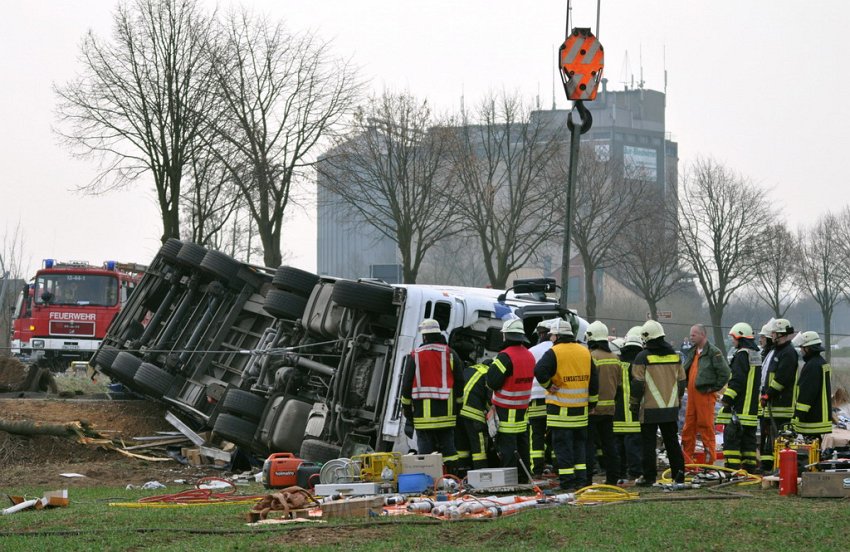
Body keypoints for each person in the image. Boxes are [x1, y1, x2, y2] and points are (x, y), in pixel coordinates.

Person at [535, 318, 599, 491]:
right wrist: (592, 403)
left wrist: (549, 385)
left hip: (560, 411)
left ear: (556, 335)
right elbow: (594, 380)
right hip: (581, 412)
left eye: (552, 336)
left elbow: (539, 370)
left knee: (563, 449)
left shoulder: (554, 352)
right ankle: (581, 481)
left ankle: (567, 483)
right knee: (579, 448)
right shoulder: (585, 351)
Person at [400, 318, 464, 470]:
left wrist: (407, 409)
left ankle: (428, 479)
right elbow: (460, 380)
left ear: (424, 336)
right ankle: (453, 477)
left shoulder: (415, 355)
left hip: (423, 416)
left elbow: (407, 384)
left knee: (426, 452)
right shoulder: (450, 353)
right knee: (449, 449)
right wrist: (458, 405)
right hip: (447, 414)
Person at [631, 320, 686, 486]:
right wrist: (676, 401)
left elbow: (638, 384)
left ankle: (649, 477)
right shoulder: (675, 356)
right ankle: (679, 474)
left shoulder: (642, 357)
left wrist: (634, 405)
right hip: (670, 409)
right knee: (672, 442)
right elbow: (682, 381)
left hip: (649, 409)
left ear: (646, 338)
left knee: (648, 444)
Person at [486, 318, 536, 480]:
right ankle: (524, 476)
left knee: (507, 445)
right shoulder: (529, 355)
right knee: (522, 444)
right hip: (523, 408)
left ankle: (508, 478)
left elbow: (492, 381)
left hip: (506, 408)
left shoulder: (504, 357)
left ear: (506, 336)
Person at [680, 324, 730, 465]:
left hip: (705, 396)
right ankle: (687, 461)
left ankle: (709, 462)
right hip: (692, 396)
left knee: (706, 427)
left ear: (703, 335)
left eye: (694, 334)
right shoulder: (692, 352)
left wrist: (713, 388)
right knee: (688, 427)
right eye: (691, 335)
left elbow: (725, 373)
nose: (691, 337)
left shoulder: (713, 352)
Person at [718, 323, 762, 472]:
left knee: (732, 441)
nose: (732, 341)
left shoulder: (742, 355)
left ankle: (732, 470)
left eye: (734, 338)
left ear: (740, 337)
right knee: (748, 442)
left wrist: (727, 400)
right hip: (751, 409)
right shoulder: (755, 354)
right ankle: (749, 469)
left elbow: (737, 381)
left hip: (739, 407)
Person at [584, 321, 621, 486]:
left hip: (592, 409)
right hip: (609, 409)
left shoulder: (591, 357)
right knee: (609, 445)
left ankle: (587, 479)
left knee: (589, 446)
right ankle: (613, 478)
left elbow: (588, 383)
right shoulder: (615, 358)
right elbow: (619, 385)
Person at [761, 318, 798, 471]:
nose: (772, 336)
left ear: (781, 334)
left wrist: (768, 394)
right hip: (773, 404)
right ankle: (769, 467)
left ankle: (780, 468)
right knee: (770, 437)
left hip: (782, 405)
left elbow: (781, 379)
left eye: (774, 333)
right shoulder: (777, 351)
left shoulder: (788, 353)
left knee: (780, 438)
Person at [527, 319, 557, 475]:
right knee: (555, 433)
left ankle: (537, 468)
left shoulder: (532, 351)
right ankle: (557, 466)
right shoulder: (557, 349)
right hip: (555, 398)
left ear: (540, 334)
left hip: (535, 399)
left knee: (537, 434)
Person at [613, 333, 643, 483]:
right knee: (634, 445)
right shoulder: (639, 366)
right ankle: (635, 473)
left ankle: (620, 473)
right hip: (634, 411)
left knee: (618, 445)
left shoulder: (618, 364)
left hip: (618, 412)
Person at [792, 331, 832, 440]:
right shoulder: (821, 362)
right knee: (815, 448)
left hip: (812, 418)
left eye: (802, 348)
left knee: (811, 450)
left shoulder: (812, 366)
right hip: (819, 415)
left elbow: (807, 393)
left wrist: (798, 415)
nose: (801, 351)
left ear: (808, 348)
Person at [456, 358, 493, 471]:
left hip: (457, 412)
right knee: (479, 448)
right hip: (474, 414)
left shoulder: (469, 369)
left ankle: (462, 473)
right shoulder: (488, 373)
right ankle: (480, 473)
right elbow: (490, 400)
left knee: (461, 447)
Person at [757, 319, 777, 471]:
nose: (760, 340)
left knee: (769, 434)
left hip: (771, 401)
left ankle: (768, 464)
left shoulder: (773, 354)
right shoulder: (767, 354)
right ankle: (765, 464)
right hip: (764, 401)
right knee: (764, 433)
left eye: (763, 337)